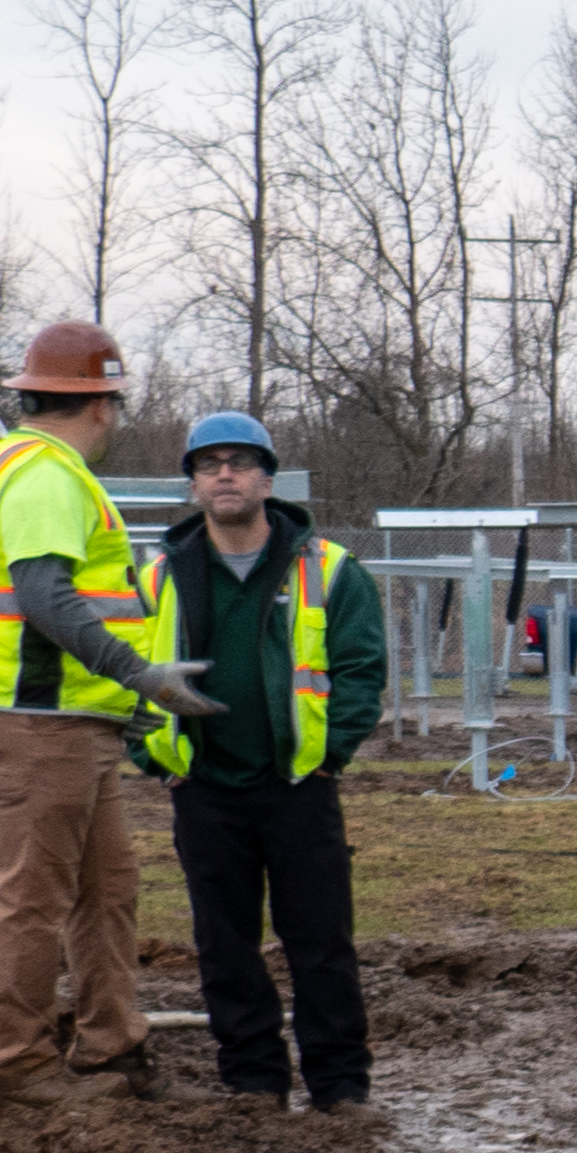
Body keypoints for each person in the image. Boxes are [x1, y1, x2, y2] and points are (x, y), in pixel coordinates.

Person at [0, 322, 209, 1096]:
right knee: (35, 899)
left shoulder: (19, 467)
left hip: (65, 724)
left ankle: (110, 1045)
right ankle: (11, 1062)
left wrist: (122, 697)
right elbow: (45, 596)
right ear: (101, 406)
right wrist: (141, 675)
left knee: (106, 890)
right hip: (34, 726)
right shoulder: (47, 476)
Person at [132, 412, 386, 1110]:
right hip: (205, 789)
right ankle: (253, 1082)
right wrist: (156, 760)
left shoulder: (330, 570)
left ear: (268, 479)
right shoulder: (157, 578)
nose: (224, 474)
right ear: (191, 484)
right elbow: (121, 678)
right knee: (224, 948)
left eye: (239, 462)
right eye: (208, 464)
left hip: (299, 789)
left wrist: (329, 756)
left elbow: (362, 672)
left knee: (322, 945)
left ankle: (339, 1085)